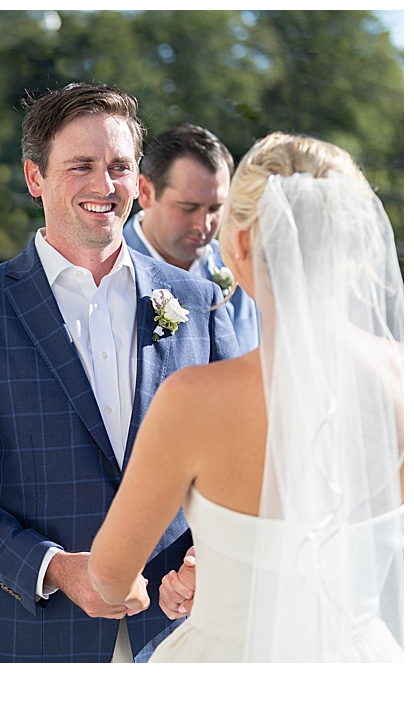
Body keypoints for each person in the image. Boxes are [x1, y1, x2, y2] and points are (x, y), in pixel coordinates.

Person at [0, 83, 238, 663]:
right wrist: (55, 568)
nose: (103, 185)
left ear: (139, 181)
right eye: (80, 165)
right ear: (36, 178)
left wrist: (205, 562)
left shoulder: (199, 303)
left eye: (118, 166)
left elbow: (236, 472)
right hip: (23, 641)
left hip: (177, 638)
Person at [88, 132, 404, 662]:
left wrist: (218, 565)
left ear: (236, 245)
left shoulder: (192, 400)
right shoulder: (403, 378)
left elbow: (109, 575)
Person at [123, 123, 259, 353]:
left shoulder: (240, 266)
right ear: (145, 192)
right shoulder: (109, 270)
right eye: (188, 207)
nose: (204, 225)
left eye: (215, 207)